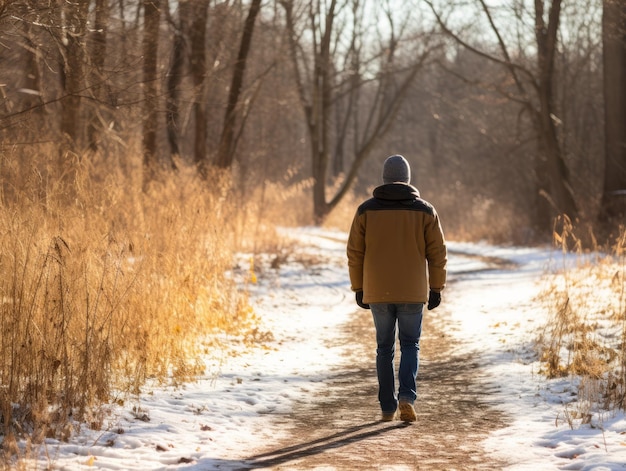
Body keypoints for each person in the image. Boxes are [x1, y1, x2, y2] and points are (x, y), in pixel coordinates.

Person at [346, 154, 447, 422]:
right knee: (410, 344)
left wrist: (359, 286)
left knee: (384, 348)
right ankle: (406, 398)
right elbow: (438, 253)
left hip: (378, 290)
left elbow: (355, 252)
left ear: (384, 178)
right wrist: (436, 287)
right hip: (413, 290)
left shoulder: (366, 210)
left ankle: (387, 406)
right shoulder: (426, 211)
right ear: (408, 179)